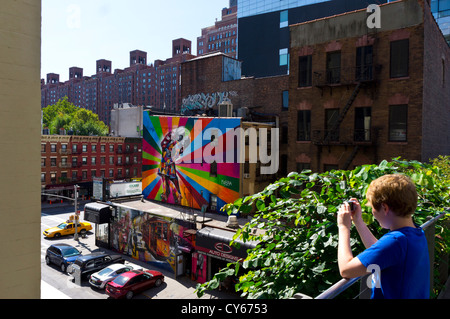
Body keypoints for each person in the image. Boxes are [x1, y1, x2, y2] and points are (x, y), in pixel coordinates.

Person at [337, 174, 430, 299]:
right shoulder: (416, 234)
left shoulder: (395, 241)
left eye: (372, 208)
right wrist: (358, 221)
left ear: (384, 208)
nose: (373, 213)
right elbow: (382, 253)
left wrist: (343, 227)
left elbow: (346, 270)